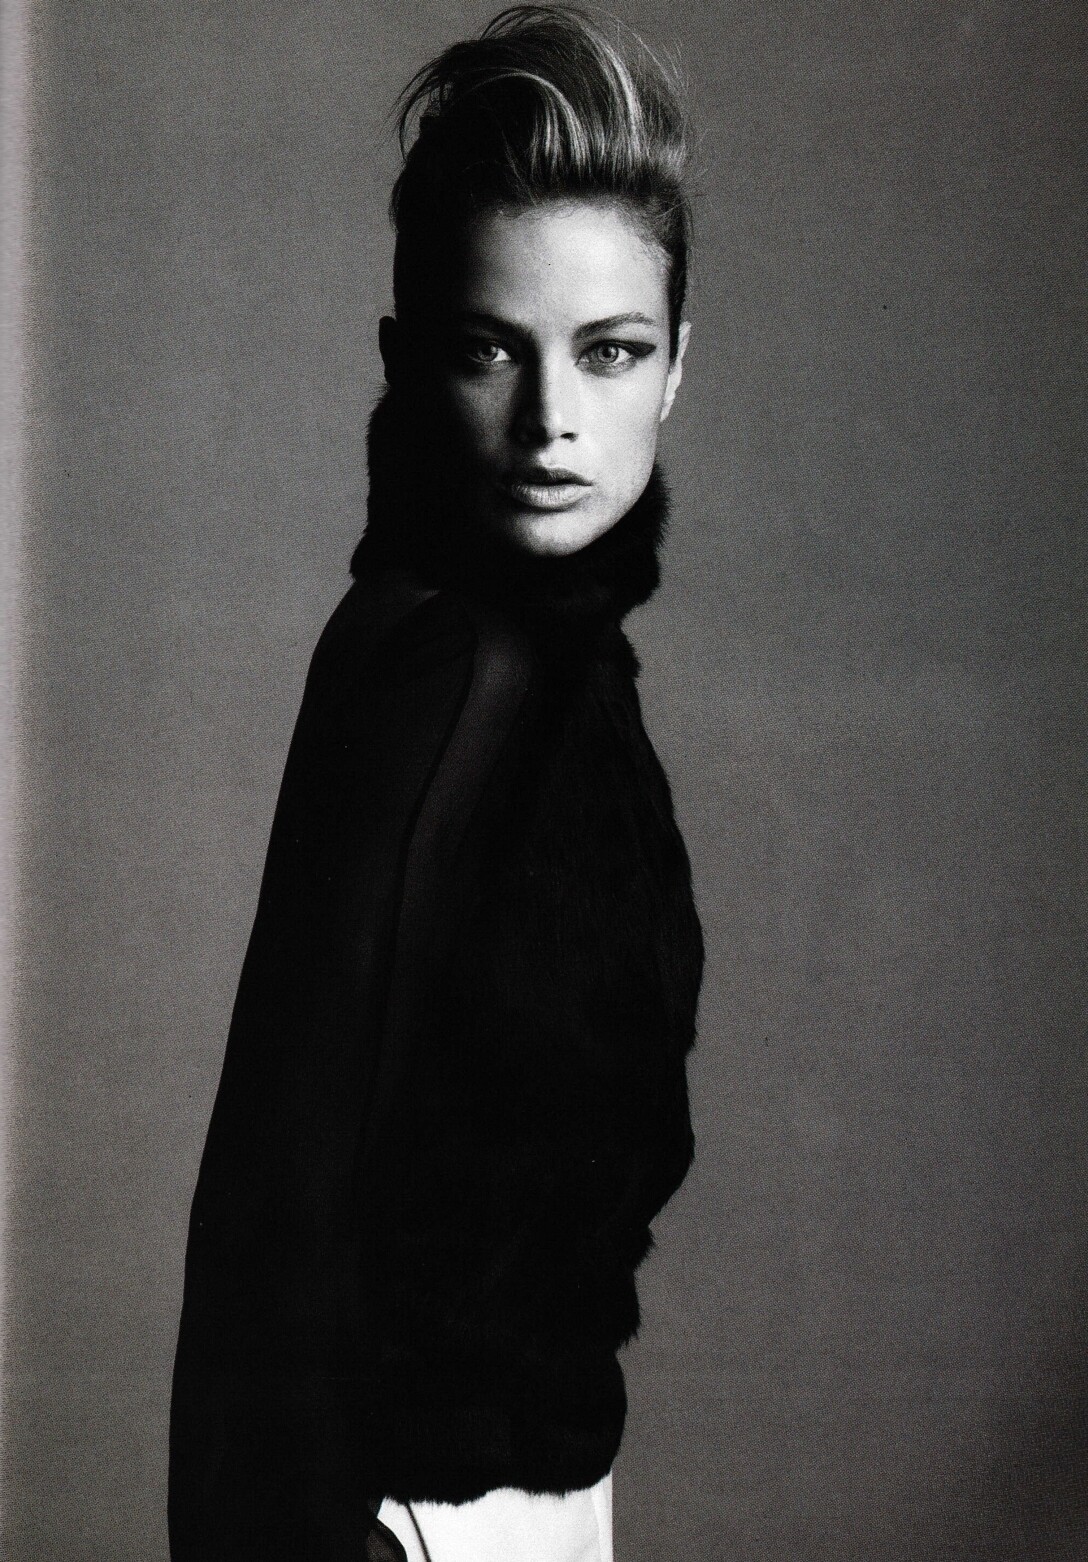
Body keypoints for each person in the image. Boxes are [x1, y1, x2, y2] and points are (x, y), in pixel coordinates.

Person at [168, 7, 705, 1560]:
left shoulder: (563, 673)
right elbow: (280, 1192)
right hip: (404, 1518)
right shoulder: (450, 665)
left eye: (609, 350)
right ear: (408, 362)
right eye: (490, 348)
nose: (551, 419)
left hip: (528, 1499)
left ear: (676, 367)